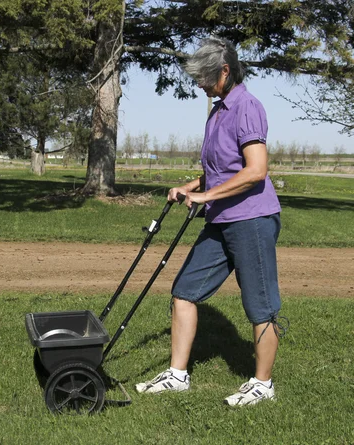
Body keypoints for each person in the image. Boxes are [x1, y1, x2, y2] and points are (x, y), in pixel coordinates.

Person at [136, 37, 285, 406]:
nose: (199, 83)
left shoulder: (247, 106)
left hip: (252, 218)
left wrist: (205, 197)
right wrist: (189, 187)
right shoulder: (218, 111)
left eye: (204, 76)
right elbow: (219, 171)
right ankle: (177, 375)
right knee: (184, 291)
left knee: (260, 306)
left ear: (224, 70)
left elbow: (256, 171)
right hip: (221, 219)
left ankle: (262, 384)